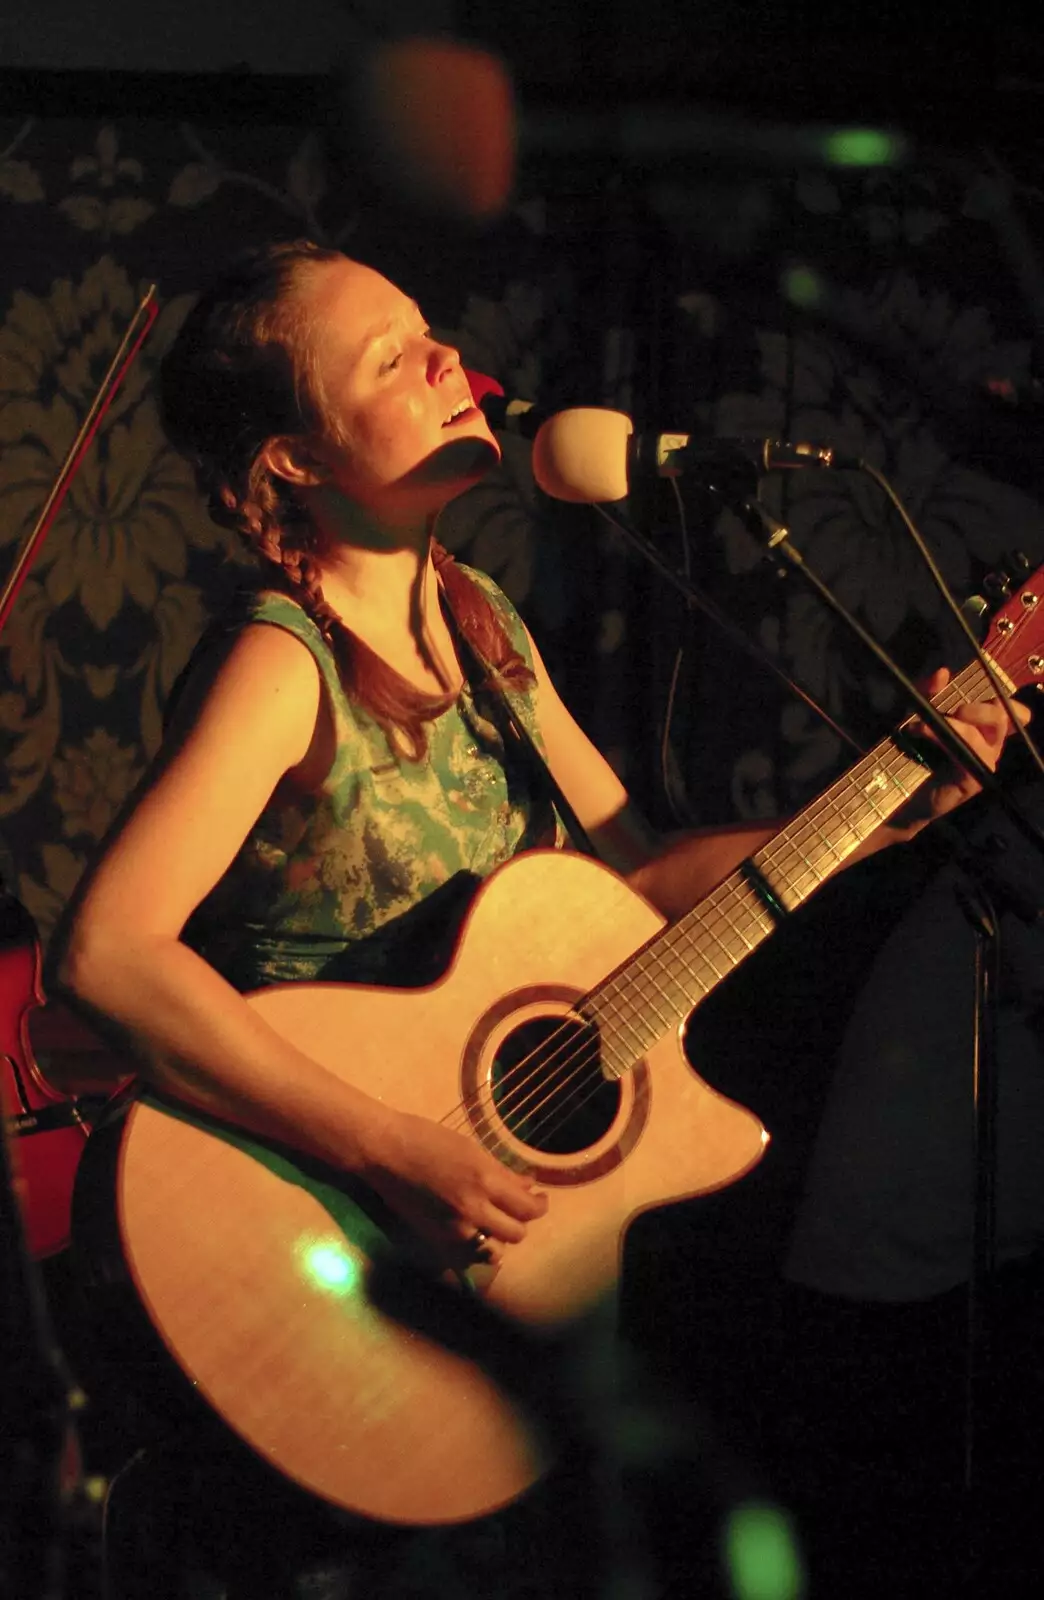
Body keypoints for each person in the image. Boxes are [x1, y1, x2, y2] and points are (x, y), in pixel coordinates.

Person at [47, 237, 1025, 1598]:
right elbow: (105, 956)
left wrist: (891, 806)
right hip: (314, 1234)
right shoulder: (284, 660)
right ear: (295, 463)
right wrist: (395, 1150)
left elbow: (633, 891)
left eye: (431, 331)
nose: (450, 359)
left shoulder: (484, 620)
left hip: (496, 1274)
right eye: (390, 357)